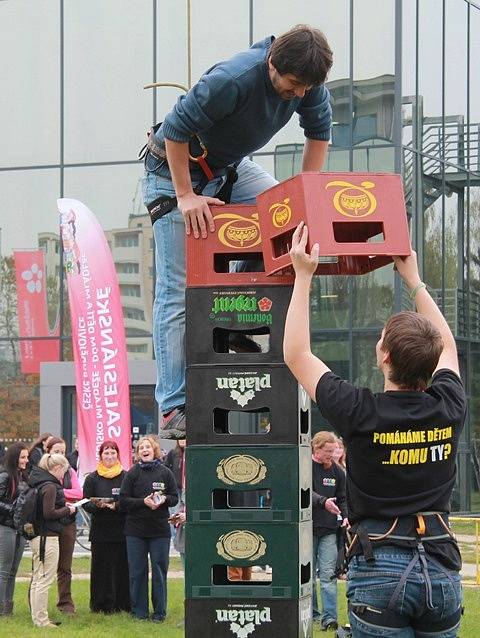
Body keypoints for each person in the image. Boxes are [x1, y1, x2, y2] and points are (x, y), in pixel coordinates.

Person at [142, 24, 333, 438]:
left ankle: (228, 321)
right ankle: (174, 406)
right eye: (293, 85)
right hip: (174, 171)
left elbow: (319, 134)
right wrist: (186, 196)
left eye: (306, 88)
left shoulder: (308, 81)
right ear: (271, 65)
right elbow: (174, 131)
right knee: (178, 288)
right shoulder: (232, 79)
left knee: (282, 221)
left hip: (230, 169)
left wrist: (305, 199)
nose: (299, 94)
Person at [283, 222, 466, 637]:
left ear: (382, 356)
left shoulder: (360, 410)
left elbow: (296, 354)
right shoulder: (448, 405)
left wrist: (303, 275)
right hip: (439, 563)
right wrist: (415, 282)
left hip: (379, 563)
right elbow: (449, 347)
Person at [119, 435, 178, 622]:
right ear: (138, 453)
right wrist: (143, 502)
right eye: (141, 448)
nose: (144, 450)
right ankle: (139, 612)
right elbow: (123, 501)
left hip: (159, 530)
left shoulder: (165, 472)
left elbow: (174, 497)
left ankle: (159, 613)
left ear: (154, 450)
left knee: (159, 571)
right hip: (135, 531)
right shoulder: (132, 473)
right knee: (137, 572)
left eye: (148, 447)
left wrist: (163, 500)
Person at [28, 453, 76, 628]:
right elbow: (49, 514)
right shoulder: (50, 487)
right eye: (63, 472)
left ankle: (37, 618)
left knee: (37, 578)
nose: (63, 476)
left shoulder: (38, 482)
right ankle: (42, 620)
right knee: (45, 580)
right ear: (56, 469)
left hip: (37, 536)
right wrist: (67, 510)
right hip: (47, 538)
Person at [82, 440, 130, 613]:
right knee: (101, 570)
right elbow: (85, 502)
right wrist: (99, 505)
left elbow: (129, 501)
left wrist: (116, 505)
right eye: (106, 453)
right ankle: (100, 605)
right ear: (100, 456)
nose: (109, 456)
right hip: (100, 532)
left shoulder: (126, 476)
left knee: (121, 568)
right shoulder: (92, 478)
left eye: (112, 453)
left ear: (118, 454)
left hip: (122, 531)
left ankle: (122, 605)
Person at [311, 431, 347, 630]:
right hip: (307, 529)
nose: (332, 455)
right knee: (306, 576)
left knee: (328, 575)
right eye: (328, 451)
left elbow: (343, 498)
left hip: (329, 530)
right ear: (316, 448)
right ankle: (311, 614)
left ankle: (330, 618)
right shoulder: (304, 465)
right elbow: (303, 489)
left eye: (334, 451)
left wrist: (346, 515)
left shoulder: (336, 471)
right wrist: (323, 502)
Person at [45, 436, 83, 614]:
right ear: (48, 453)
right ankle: (39, 604)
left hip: (67, 523)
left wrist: (57, 492)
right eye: (56, 451)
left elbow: (78, 492)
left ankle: (65, 603)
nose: (61, 454)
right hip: (47, 524)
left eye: (62, 451)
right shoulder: (41, 472)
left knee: (65, 567)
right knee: (44, 566)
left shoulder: (70, 472)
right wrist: (62, 495)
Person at [0, 442, 29, 615]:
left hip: (20, 527)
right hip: (6, 527)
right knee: (4, 570)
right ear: (14, 458)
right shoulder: (5, 476)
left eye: (27, 457)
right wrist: (13, 508)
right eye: (23, 457)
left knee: (13, 571)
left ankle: (7, 610)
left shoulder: (23, 476)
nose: (26, 460)